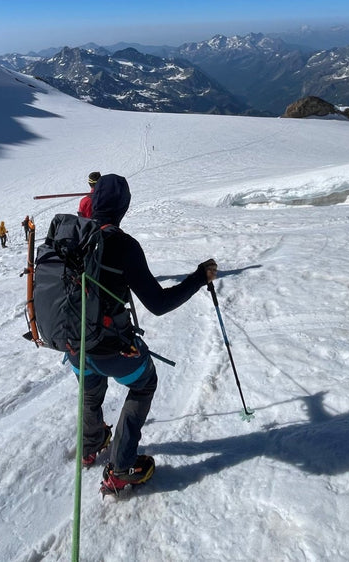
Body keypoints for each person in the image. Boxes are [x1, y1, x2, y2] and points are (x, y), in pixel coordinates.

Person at [73, 173, 217, 494]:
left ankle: (91, 443)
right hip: (109, 348)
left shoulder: (72, 236)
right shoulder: (124, 246)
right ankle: (121, 466)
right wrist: (198, 278)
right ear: (123, 207)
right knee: (144, 382)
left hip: (72, 344)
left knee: (91, 382)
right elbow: (159, 303)